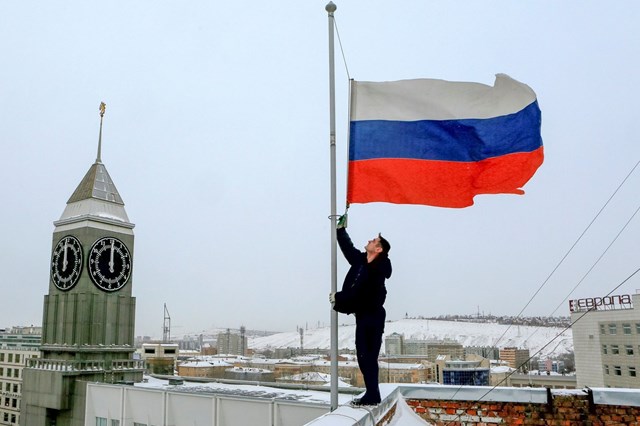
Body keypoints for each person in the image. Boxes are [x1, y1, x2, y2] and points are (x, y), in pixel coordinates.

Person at [330, 214, 391, 406]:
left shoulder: (378, 271)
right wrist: (341, 230)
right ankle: (372, 394)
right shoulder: (361, 261)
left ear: (378, 249)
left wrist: (338, 297)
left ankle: (372, 395)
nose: (369, 241)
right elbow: (347, 248)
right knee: (364, 356)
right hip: (364, 316)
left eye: (373, 241)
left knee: (368, 356)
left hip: (373, 316)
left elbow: (361, 294)